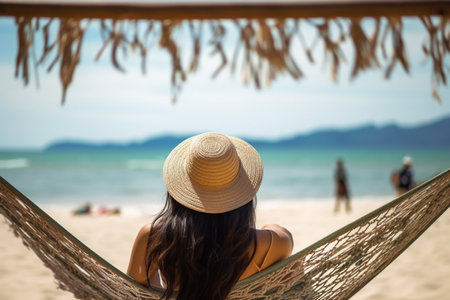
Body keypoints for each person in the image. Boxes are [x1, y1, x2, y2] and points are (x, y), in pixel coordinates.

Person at [127, 132, 293, 300]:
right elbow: (286, 236)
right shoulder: (270, 243)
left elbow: (134, 292)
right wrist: (266, 228)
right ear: (243, 195)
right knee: (293, 267)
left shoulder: (154, 237)